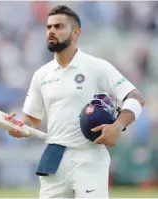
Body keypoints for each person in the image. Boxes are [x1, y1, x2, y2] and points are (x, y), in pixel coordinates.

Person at [8, 5, 145, 198]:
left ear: (76, 33)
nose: (52, 31)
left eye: (59, 26)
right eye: (49, 27)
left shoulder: (96, 67)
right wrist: (19, 126)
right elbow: (33, 121)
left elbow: (136, 98)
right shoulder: (41, 75)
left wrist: (117, 126)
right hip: (54, 159)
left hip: (89, 157)